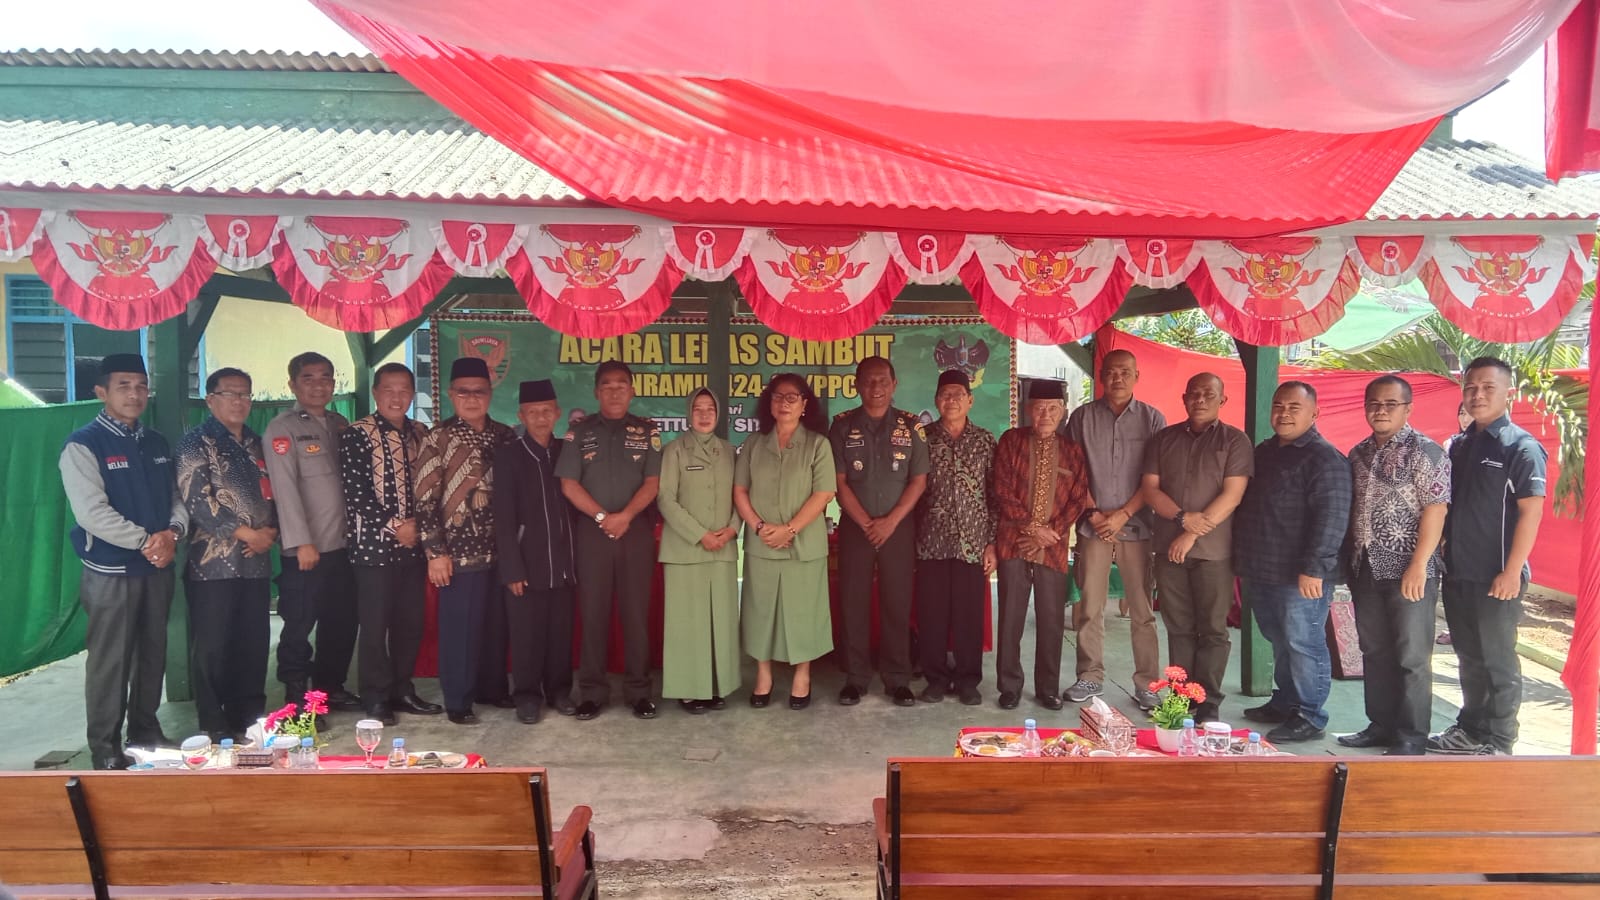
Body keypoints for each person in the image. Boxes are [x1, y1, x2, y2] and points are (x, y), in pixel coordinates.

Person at [59, 353, 188, 769]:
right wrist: (146, 541)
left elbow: (176, 498)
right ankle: (106, 748)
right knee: (110, 662)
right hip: (111, 572)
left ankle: (145, 732)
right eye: (124, 386)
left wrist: (173, 533)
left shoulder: (155, 443)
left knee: (152, 653)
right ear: (102, 392)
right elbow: (91, 512)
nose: (135, 394)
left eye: (141, 386)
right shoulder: (84, 444)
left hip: (156, 567)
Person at [1430, 356, 1546, 756]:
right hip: (1458, 573)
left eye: (1488, 387)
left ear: (1508, 392)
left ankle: (1500, 741)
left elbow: (1531, 513)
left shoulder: (1521, 447)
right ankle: (1470, 730)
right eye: (1471, 387)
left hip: (1497, 577)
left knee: (1498, 661)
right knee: (1468, 657)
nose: (1477, 395)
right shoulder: (1459, 446)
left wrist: (1511, 572)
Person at [1232, 382, 1352, 743]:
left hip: (1302, 575)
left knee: (1304, 642)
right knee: (1279, 638)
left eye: (1294, 408)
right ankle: (1285, 701)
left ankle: (1310, 715)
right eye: (1278, 406)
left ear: (1314, 413)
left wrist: (1314, 569)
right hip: (1264, 566)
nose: (1284, 414)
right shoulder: (1266, 451)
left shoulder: (1325, 459)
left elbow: (1332, 519)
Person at [1339, 375, 1450, 756]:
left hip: (1410, 571)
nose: (1381, 410)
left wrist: (1419, 564)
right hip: (1366, 568)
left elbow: (1436, 509)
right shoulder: (1358, 453)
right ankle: (1381, 725)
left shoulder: (1427, 452)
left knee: (1412, 656)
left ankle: (1412, 736)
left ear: (1408, 408)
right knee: (1374, 651)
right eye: (1374, 403)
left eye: (1390, 404)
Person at [1140, 372, 1252, 723]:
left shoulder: (1235, 441)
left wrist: (1191, 532)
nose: (1200, 400)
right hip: (1169, 549)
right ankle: (1181, 699)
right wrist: (1181, 518)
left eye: (1209, 394)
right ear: (1184, 398)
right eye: (1194, 394)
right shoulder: (1163, 439)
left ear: (1222, 400)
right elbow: (1150, 489)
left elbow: (1233, 495)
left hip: (1213, 552)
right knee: (1178, 627)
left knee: (1213, 629)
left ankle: (1209, 702)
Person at [557, 360, 663, 721]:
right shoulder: (578, 433)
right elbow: (569, 484)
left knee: (636, 616)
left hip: (635, 535)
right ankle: (591, 692)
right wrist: (604, 517)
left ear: (632, 391)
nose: (615, 391)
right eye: (607, 385)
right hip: (593, 536)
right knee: (593, 614)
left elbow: (653, 482)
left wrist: (626, 516)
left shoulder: (647, 432)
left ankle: (639, 692)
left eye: (622, 385)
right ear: (596, 392)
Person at [176, 368, 277, 743]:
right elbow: (197, 500)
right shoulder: (195, 443)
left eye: (245, 394)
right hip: (212, 564)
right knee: (214, 646)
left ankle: (248, 717)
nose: (239, 401)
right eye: (230, 393)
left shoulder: (257, 443)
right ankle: (214, 721)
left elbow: (275, 493)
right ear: (210, 399)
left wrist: (270, 532)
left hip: (256, 560)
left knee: (253, 642)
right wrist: (247, 533)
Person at [414, 357, 515, 725]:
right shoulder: (438, 437)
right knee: (461, 628)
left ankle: (492, 689)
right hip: (457, 554)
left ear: (490, 393)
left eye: (479, 391)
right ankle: (458, 699)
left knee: (495, 626)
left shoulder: (505, 435)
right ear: (450, 394)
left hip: (502, 551)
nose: (472, 398)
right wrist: (435, 552)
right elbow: (424, 499)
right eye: (463, 392)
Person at [339, 362, 441, 725]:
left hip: (414, 548)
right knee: (375, 626)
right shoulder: (357, 434)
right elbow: (356, 493)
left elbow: (432, 485)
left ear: (413, 394)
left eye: (404, 390)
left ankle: (402, 689)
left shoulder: (420, 432)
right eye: (389, 390)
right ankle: (375, 697)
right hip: (373, 548)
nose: (397, 397)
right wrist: (396, 526)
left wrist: (419, 530)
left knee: (409, 624)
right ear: (375, 393)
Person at [1065, 349, 1166, 709]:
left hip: (1136, 526)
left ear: (1137, 376)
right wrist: (1094, 512)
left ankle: (1147, 684)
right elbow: (1072, 470)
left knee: (1141, 609)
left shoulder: (1152, 419)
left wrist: (1123, 514)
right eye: (1110, 372)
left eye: (1125, 371)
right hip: (1092, 526)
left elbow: (1155, 476)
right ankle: (1090, 676)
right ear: (1101, 376)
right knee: (1090, 606)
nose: (1117, 378)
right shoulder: (1082, 418)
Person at [262, 352, 359, 712]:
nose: (318, 385)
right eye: (308, 378)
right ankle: (296, 700)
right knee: (299, 627)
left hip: (343, 547)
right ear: (293, 385)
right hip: (307, 550)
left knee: (342, 622)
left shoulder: (339, 424)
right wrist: (301, 542)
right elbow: (284, 489)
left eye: (325, 378)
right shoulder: (283, 429)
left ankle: (330, 689)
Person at [829, 356, 928, 707]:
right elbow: (839, 482)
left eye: (883, 380)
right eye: (868, 381)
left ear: (894, 384)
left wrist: (890, 521)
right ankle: (855, 678)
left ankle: (897, 678)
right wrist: (867, 522)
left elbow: (918, 481)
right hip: (856, 528)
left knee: (896, 602)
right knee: (852, 601)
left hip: (898, 529)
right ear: (857, 385)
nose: (876, 387)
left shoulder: (911, 427)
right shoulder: (842, 427)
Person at [735, 374, 837, 709]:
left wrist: (789, 530)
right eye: (778, 396)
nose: (784, 403)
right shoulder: (754, 444)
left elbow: (824, 493)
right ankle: (763, 676)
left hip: (803, 545)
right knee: (760, 611)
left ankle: (801, 676)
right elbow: (740, 490)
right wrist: (760, 527)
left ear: (805, 404)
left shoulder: (818, 444)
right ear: (769, 404)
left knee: (802, 612)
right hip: (762, 543)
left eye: (792, 397)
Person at [989, 380, 1089, 711]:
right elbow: (1001, 488)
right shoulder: (1011, 440)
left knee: (1051, 619)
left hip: (1053, 546)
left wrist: (1050, 532)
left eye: (1053, 408)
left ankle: (1048, 688)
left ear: (1063, 412)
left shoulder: (1073, 450)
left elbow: (1077, 498)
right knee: (1011, 617)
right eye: (1039, 407)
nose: (1045, 414)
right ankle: (1009, 687)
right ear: (1029, 409)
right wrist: (1032, 528)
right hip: (1013, 541)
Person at [492, 379, 578, 724]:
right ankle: (527, 696)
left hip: (565, 563)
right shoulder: (509, 456)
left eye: (546, 411)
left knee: (560, 634)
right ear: (521, 416)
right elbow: (503, 518)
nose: (540, 418)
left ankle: (559, 691)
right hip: (526, 564)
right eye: (533, 412)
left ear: (557, 413)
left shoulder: (566, 452)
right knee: (526, 634)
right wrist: (512, 569)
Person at [914, 369, 997, 706]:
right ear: (936, 400)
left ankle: (967, 680)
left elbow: (995, 495)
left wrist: (992, 543)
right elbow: (911, 491)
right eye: (945, 395)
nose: (952, 400)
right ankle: (935, 679)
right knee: (931, 615)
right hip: (930, 542)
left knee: (968, 615)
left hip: (972, 544)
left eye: (958, 394)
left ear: (970, 400)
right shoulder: (922, 438)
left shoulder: (985, 441)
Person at [657, 388, 743, 712]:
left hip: (723, 548)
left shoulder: (730, 452)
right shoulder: (674, 451)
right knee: (687, 623)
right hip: (685, 550)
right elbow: (665, 499)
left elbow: (742, 495)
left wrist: (733, 528)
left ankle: (718, 685)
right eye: (698, 408)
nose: (704, 415)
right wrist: (699, 534)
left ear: (718, 414)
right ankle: (689, 689)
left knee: (721, 620)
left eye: (710, 409)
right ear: (688, 413)